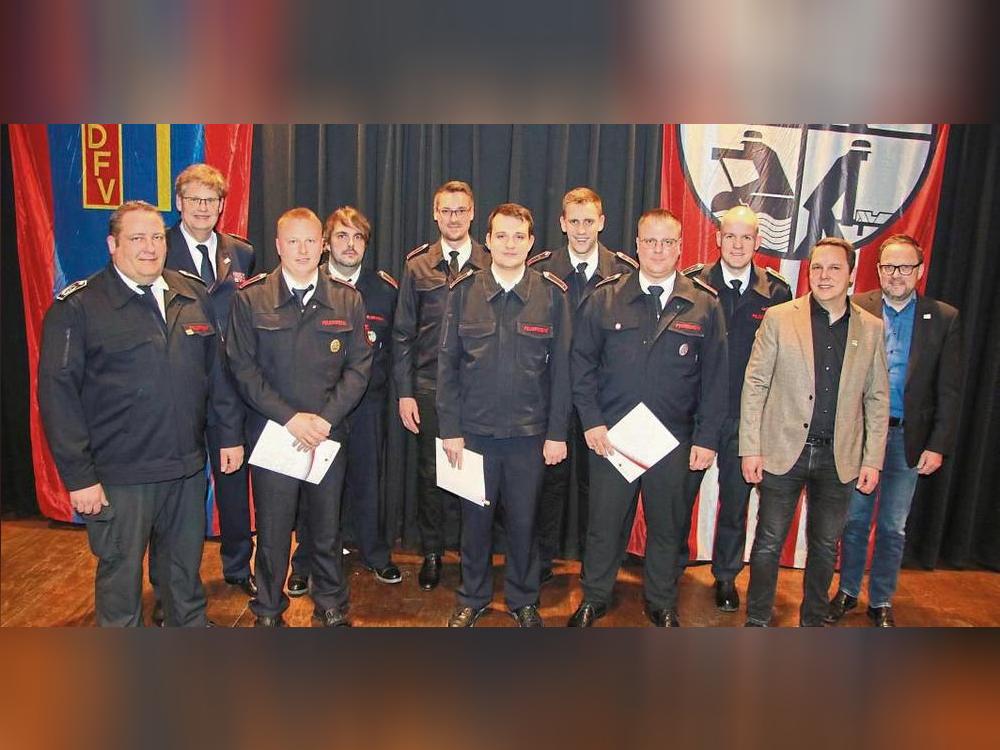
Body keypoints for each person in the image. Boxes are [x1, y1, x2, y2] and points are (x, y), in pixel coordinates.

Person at [38, 200, 243, 626]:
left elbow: (216, 375)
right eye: (136, 238)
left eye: (155, 237)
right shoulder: (79, 307)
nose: (149, 247)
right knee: (121, 576)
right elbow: (58, 398)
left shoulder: (191, 294)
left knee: (184, 572)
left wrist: (228, 435)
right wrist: (80, 478)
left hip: (185, 469)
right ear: (113, 244)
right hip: (120, 476)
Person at [568, 208, 727, 627]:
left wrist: (707, 438)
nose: (658, 250)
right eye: (650, 241)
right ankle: (595, 596)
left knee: (667, 526)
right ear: (637, 245)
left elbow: (715, 380)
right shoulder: (605, 298)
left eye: (667, 242)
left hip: (673, 439)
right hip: (613, 435)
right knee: (603, 524)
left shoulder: (704, 305)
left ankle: (661, 601)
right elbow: (580, 367)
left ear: (680, 247)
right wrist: (591, 422)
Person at [226, 208, 372, 627]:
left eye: (310, 241)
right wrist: (291, 419)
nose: (303, 250)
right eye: (293, 241)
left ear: (322, 245)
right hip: (274, 435)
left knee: (326, 530)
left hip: (328, 435)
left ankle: (330, 604)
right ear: (278, 246)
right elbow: (242, 369)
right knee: (272, 533)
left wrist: (324, 420)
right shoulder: (251, 299)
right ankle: (268, 610)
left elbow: (360, 367)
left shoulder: (347, 298)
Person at [741, 237, 889, 627]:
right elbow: (755, 383)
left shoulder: (871, 329)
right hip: (781, 450)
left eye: (834, 268)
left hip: (839, 457)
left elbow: (876, 397)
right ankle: (756, 621)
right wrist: (750, 448)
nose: (824, 276)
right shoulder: (779, 317)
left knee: (825, 547)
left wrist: (873, 458)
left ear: (851, 275)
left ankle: (813, 622)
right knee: (768, 543)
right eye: (817, 267)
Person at [437, 203, 572, 627]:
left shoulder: (551, 295)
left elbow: (563, 372)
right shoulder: (462, 293)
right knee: (473, 523)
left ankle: (523, 598)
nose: (510, 244)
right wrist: (450, 430)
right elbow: (447, 366)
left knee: (524, 523)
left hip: (528, 437)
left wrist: (556, 434)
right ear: (488, 240)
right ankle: (473, 596)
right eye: (501, 236)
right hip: (473, 435)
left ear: (531, 242)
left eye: (519, 236)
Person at [826, 234, 961, 627]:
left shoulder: (944, 318)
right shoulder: (857, 307)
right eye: (888, 267)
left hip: (908, 439)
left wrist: (937, 444)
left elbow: (949, 389)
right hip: (861, 434)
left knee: (892, 526)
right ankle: (847, 592)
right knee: (853, 521)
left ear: (919, 270)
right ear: (878, 270)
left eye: (905, 267)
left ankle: (881, 599)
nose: (896, 275)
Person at [288, 206, 402, 594]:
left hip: (368, 405)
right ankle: (303, 561)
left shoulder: (384, 289)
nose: (350, 245)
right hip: (319, 408)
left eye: (357, 238)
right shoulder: (308, 284)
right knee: (310, 483)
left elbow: (394, 349)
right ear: (325, 244)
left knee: (368, 481)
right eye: (341, 236)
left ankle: (374, 552)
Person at [682, 206, 791, 611]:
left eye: (747, 237)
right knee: (678, 498)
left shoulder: (777, 292)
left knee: (736, 503)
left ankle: (726, 576)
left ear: (758, 242)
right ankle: (670, 568)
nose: (738, 244)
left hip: (746, 418)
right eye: (731, 236)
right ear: (718, 239)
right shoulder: (693, 283)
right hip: (693, 415)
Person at [526, 187, 638, 581]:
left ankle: (597, 565)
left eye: (588, 221)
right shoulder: (540, 268)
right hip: (549, 395)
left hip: (602, 398)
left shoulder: (625, 271)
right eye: (573, 221)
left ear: (602, 222)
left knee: (600, 488)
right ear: (561, 223)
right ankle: (540, 563)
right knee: (548, 484)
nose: (581, 229)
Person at [164, 163, 257, 599]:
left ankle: (238, 567)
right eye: (194, 199)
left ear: (222, 205)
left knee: (234, 484)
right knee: (179, 493)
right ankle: (172, 582)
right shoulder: (156, 248)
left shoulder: (241, 253)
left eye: (211, 200)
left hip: (231, 390)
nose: (203, 208)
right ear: (178, 202)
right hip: (178, 387)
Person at [392, 180, 490, 591]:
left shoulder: (492, 262)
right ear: (435, 214)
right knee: (432, 475)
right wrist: (405, 392)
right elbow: (401, 335)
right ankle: (432, 552)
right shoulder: (417, 266)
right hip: (430, 388)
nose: (453, 218)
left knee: (477, 478)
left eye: (461, 210)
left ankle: (472, 555)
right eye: (445, 211)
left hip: (480, 391)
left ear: (472, 214)